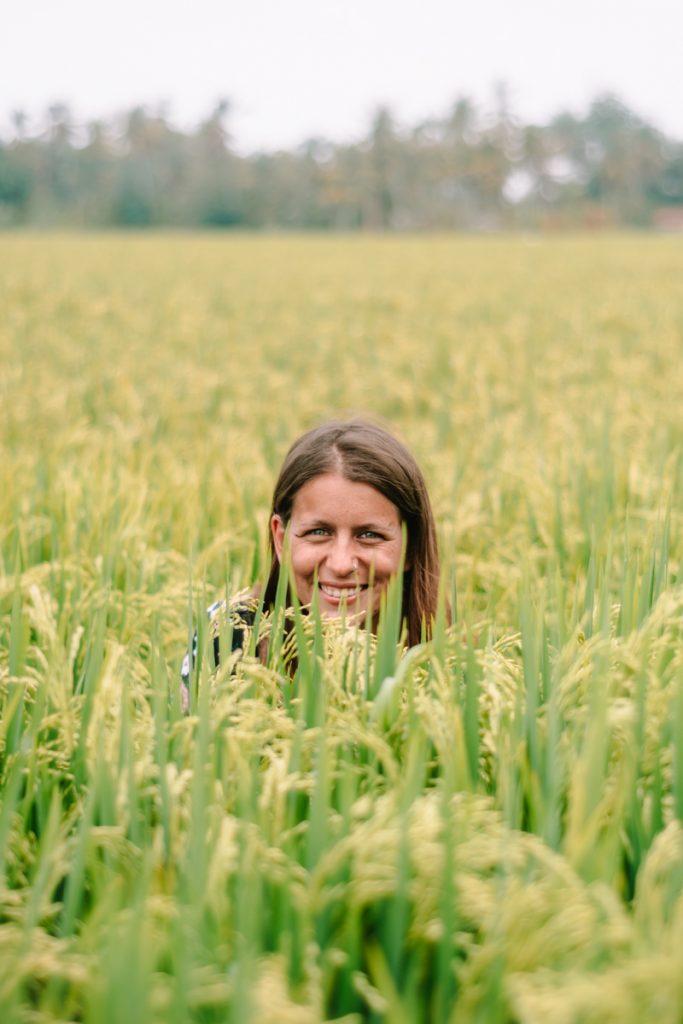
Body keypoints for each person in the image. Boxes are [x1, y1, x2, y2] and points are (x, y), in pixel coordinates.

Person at [180, 418, 442, 709]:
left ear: (410, 548)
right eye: (318, 532)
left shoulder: (450, 663)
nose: (342, 564)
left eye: (369, 535)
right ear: (281, 539)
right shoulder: (229, 634)